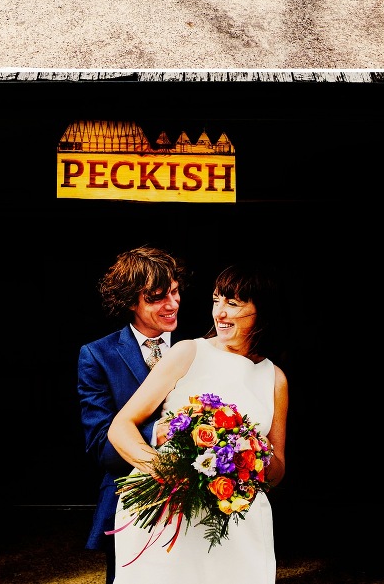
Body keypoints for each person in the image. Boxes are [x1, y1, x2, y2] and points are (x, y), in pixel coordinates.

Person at [107, 262, 288, 584]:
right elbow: (121, 426)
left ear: (262, 310)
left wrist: (250, 455)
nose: (220, 312)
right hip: (169, 508)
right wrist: (163, 473)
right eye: (217, 300)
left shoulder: (274, 378)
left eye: (233, 303)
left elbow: (277, 469)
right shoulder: (188, 351)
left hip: (235, 516)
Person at [78, 247, 187, 584]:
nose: (172, 304)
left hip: (202, 501)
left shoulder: (200, 345)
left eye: (175, 291)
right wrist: (167, 431)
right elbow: (102, 448)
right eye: (157, 298)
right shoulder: (98, 356)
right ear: (129, 302)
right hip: (131, 503)